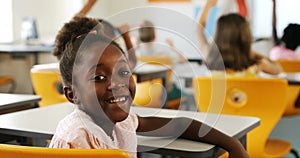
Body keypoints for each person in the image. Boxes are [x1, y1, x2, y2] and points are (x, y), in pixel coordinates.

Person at [48, 15, 249, 158]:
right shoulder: (76, 140)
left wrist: (234, 145)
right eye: (99, 77)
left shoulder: (120, 121)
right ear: (72, 94)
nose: (116, 84)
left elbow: (179, 125)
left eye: (123, 72)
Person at [198, 0, 282, 77]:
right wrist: (250, 52)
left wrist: (208, 5)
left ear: (218, 36)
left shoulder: (210, 57)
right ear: (246, 37)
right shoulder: (255, 65)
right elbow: (278, 69)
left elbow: (199, 29)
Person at [135, 20, 187, 109]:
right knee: (187, 96)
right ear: (154, 36)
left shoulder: (136, 55)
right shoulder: (164, 52)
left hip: (139, 96)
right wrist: (172, 46)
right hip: (164, 94)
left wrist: (136, 45)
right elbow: (184, 60)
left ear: (139, 37)